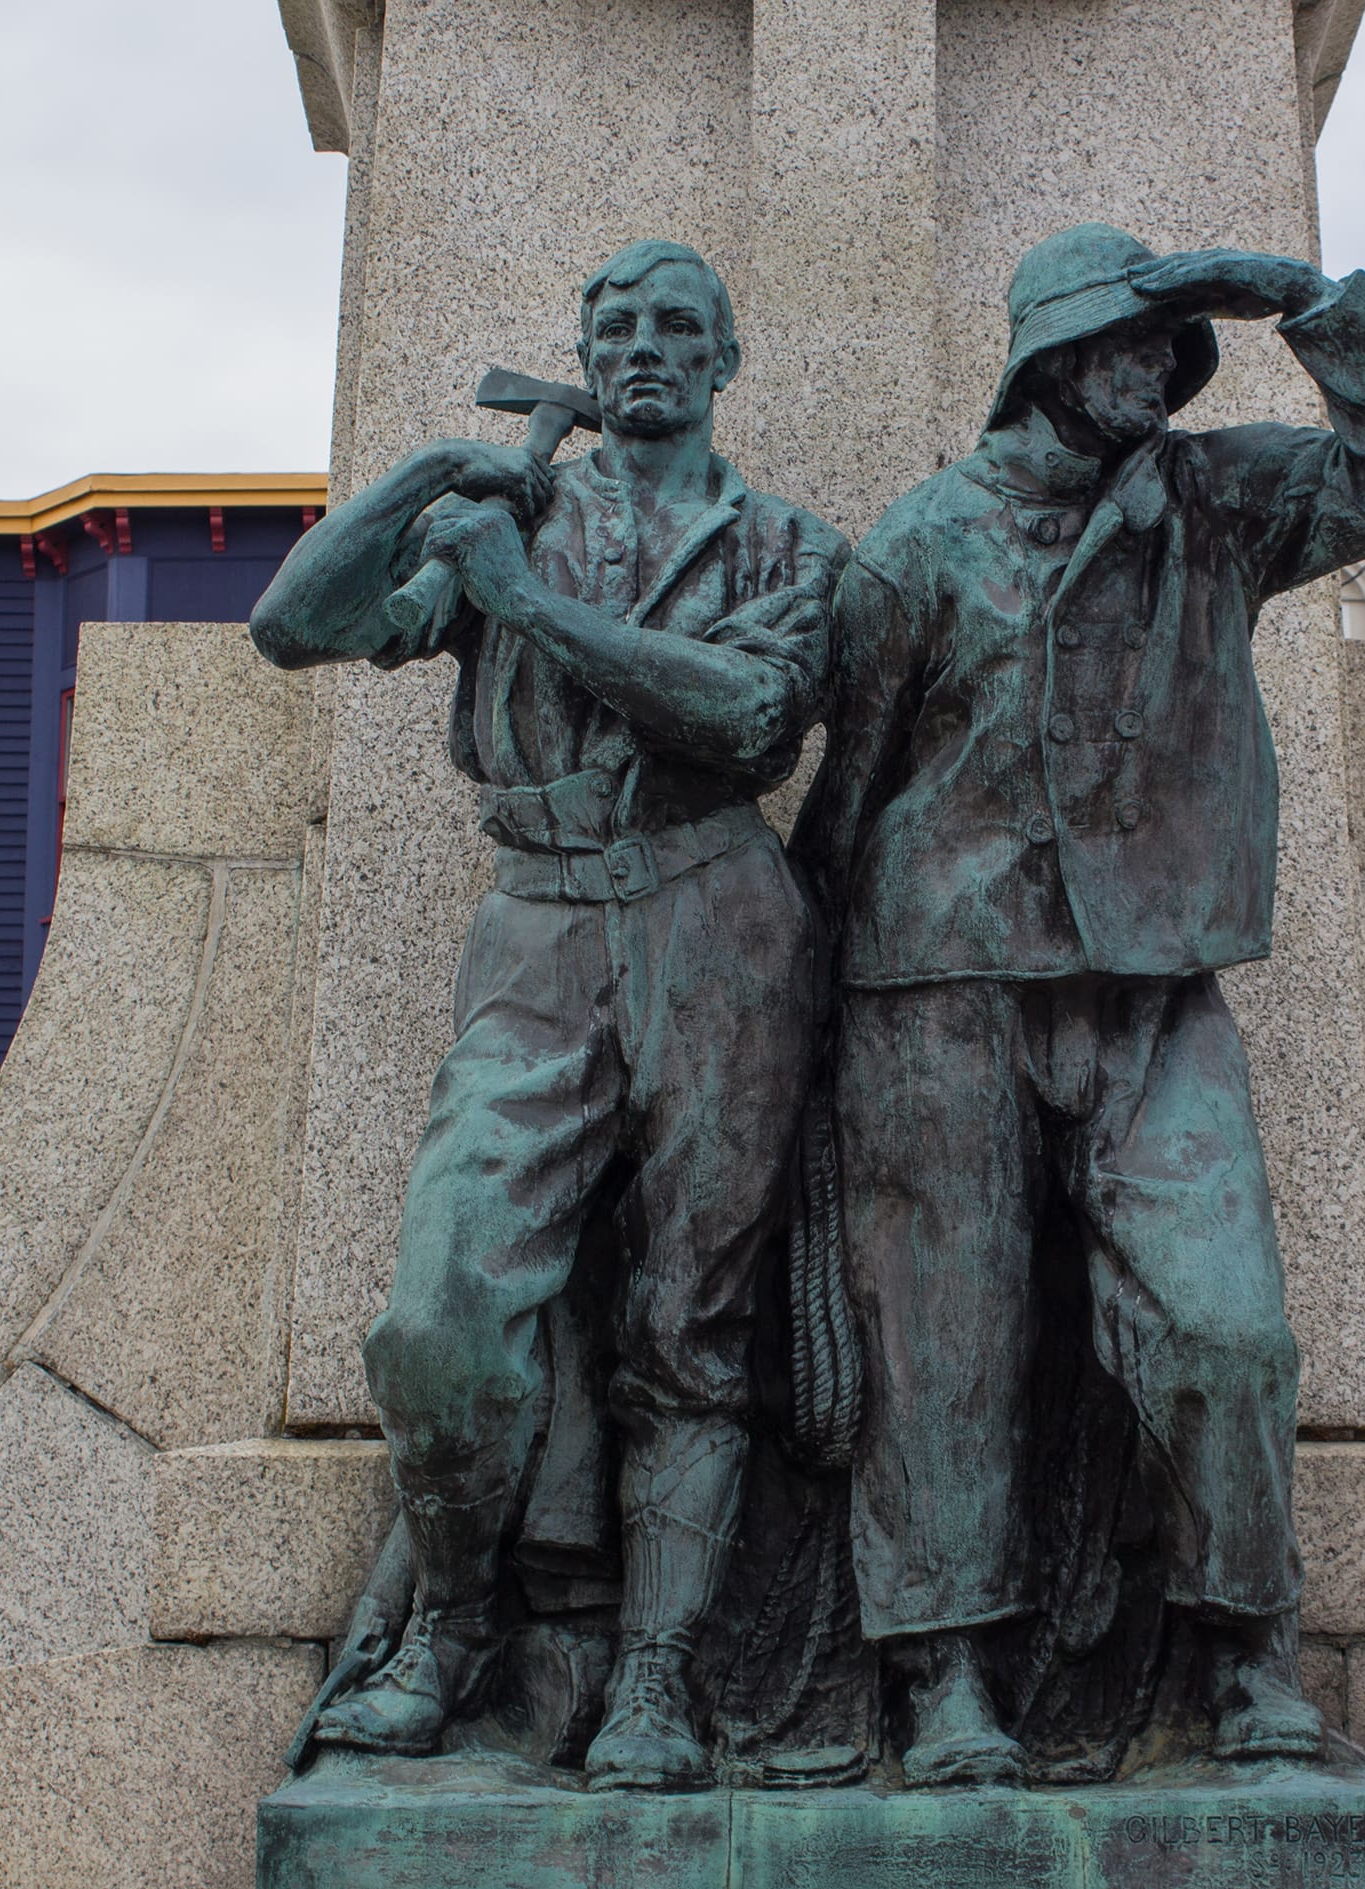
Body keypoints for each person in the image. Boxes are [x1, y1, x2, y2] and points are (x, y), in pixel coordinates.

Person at [795, 222, 1365, 1784]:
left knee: (1230, 1327)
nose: (1157, 364)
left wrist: (1312, 307)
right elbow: (845, 798)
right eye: (1127, 339)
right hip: (938, 978)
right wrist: (807, 1025)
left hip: (1154, 981)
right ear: (1047, 357)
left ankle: (1250, 1655)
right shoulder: (917, 543)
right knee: (942, 1338)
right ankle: (946, 1679)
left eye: (1169, 344)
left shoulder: (1220, 500)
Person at [250, 239, 847, 1788]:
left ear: (724, 359)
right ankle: (448, 1629)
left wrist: (528, 605)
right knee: (440, 1319)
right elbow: (293, 626)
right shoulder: (513, 511)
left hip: (719, 914)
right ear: (585, 360)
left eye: (675, 328)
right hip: (536, 919)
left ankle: (655, 1677)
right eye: (615, 327)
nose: (644, 348)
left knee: (690, 1324)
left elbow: (744, 718)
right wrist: (423, 480)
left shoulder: (786, 543)